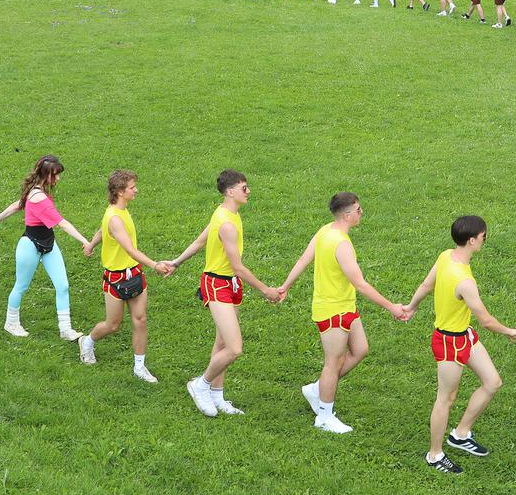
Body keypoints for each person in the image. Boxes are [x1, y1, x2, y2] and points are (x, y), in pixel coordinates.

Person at [277, 192, 411, 435]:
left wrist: (285, 286)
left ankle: (317, 390)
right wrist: (391, 306)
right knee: (333, 363)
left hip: (345, 306)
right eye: (359, 210)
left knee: (360, 349)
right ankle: (325, 416)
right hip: (333, 310)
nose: (361, 214)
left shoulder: (325, 231)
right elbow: (360, 283)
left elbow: (304, 260)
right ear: (347, 215)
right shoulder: (341, 243)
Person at [401, 215, 516, 473]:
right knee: (446, 399)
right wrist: (509, 332)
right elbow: (486, 320)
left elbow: (427, 284)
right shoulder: (465, 281)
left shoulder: (446, 255)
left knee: (493, 382)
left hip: (463, 336)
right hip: (448, 342)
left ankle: (460, 434)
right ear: (471, 240)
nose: (485, 240)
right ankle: (434, 455)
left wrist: (411, 307)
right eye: (483, 236)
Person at [165, 169, 284, 417]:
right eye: (244, 188)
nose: (248, 191)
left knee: (221, 342)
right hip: (217, 284)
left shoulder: (225, 213)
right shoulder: (227, 223)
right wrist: (266, 290)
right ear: (230, 192)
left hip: (229, 285)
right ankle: (201, 385)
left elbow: (200, 242)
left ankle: (217, 396)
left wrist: (176, 263)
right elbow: (238, 267)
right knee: (234, 348)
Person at [78, 170, 173, 380]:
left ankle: (139, 367)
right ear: (121, 192)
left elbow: (103, 231)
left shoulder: (120, 211)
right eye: (132, 187)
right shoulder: (114, 218)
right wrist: (155, 265)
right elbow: (130, 249)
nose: (136, 190)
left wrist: (91, 244)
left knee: (140, 320)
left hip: (134, 274)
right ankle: (87, 342)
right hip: (116, 278)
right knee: (113, 324)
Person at [0, 154, 95, 340]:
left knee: (62, 285)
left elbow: (18, 204)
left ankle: (65, 329)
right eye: (55, 175)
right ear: (46, 175)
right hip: (30, 245)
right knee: (21, 286)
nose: (58, 179)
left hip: (49, 244)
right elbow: (63, 224)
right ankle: (11, 323)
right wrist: (85, 241)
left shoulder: (35, 190)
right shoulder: (40, 198)